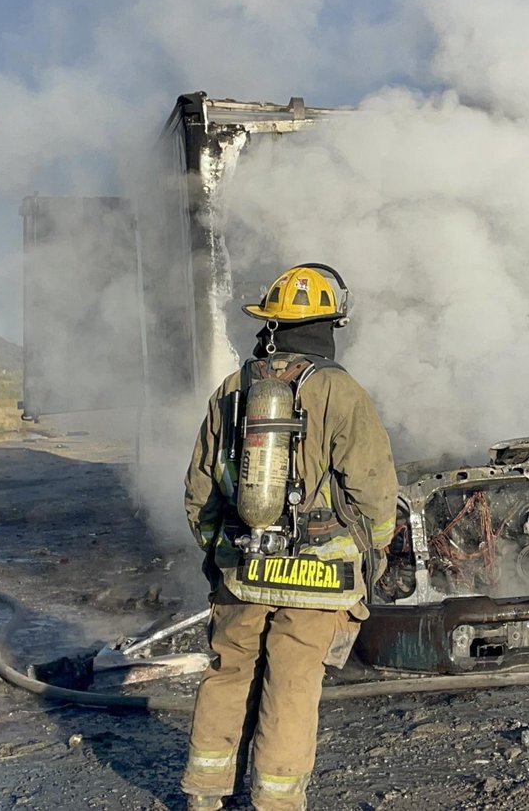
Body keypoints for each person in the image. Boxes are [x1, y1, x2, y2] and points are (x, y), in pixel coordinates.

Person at [180, 263, 398, 810]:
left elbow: (202, 487)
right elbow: (373, 488)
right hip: (320, 574)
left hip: (244, 565)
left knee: (229, 671)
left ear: (270, 323)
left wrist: (216, 551)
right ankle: (275, 802)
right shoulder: (341, 391)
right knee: (293, 684)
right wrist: (376, 550)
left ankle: (205, 794)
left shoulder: (233, 389)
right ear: (330, 325)